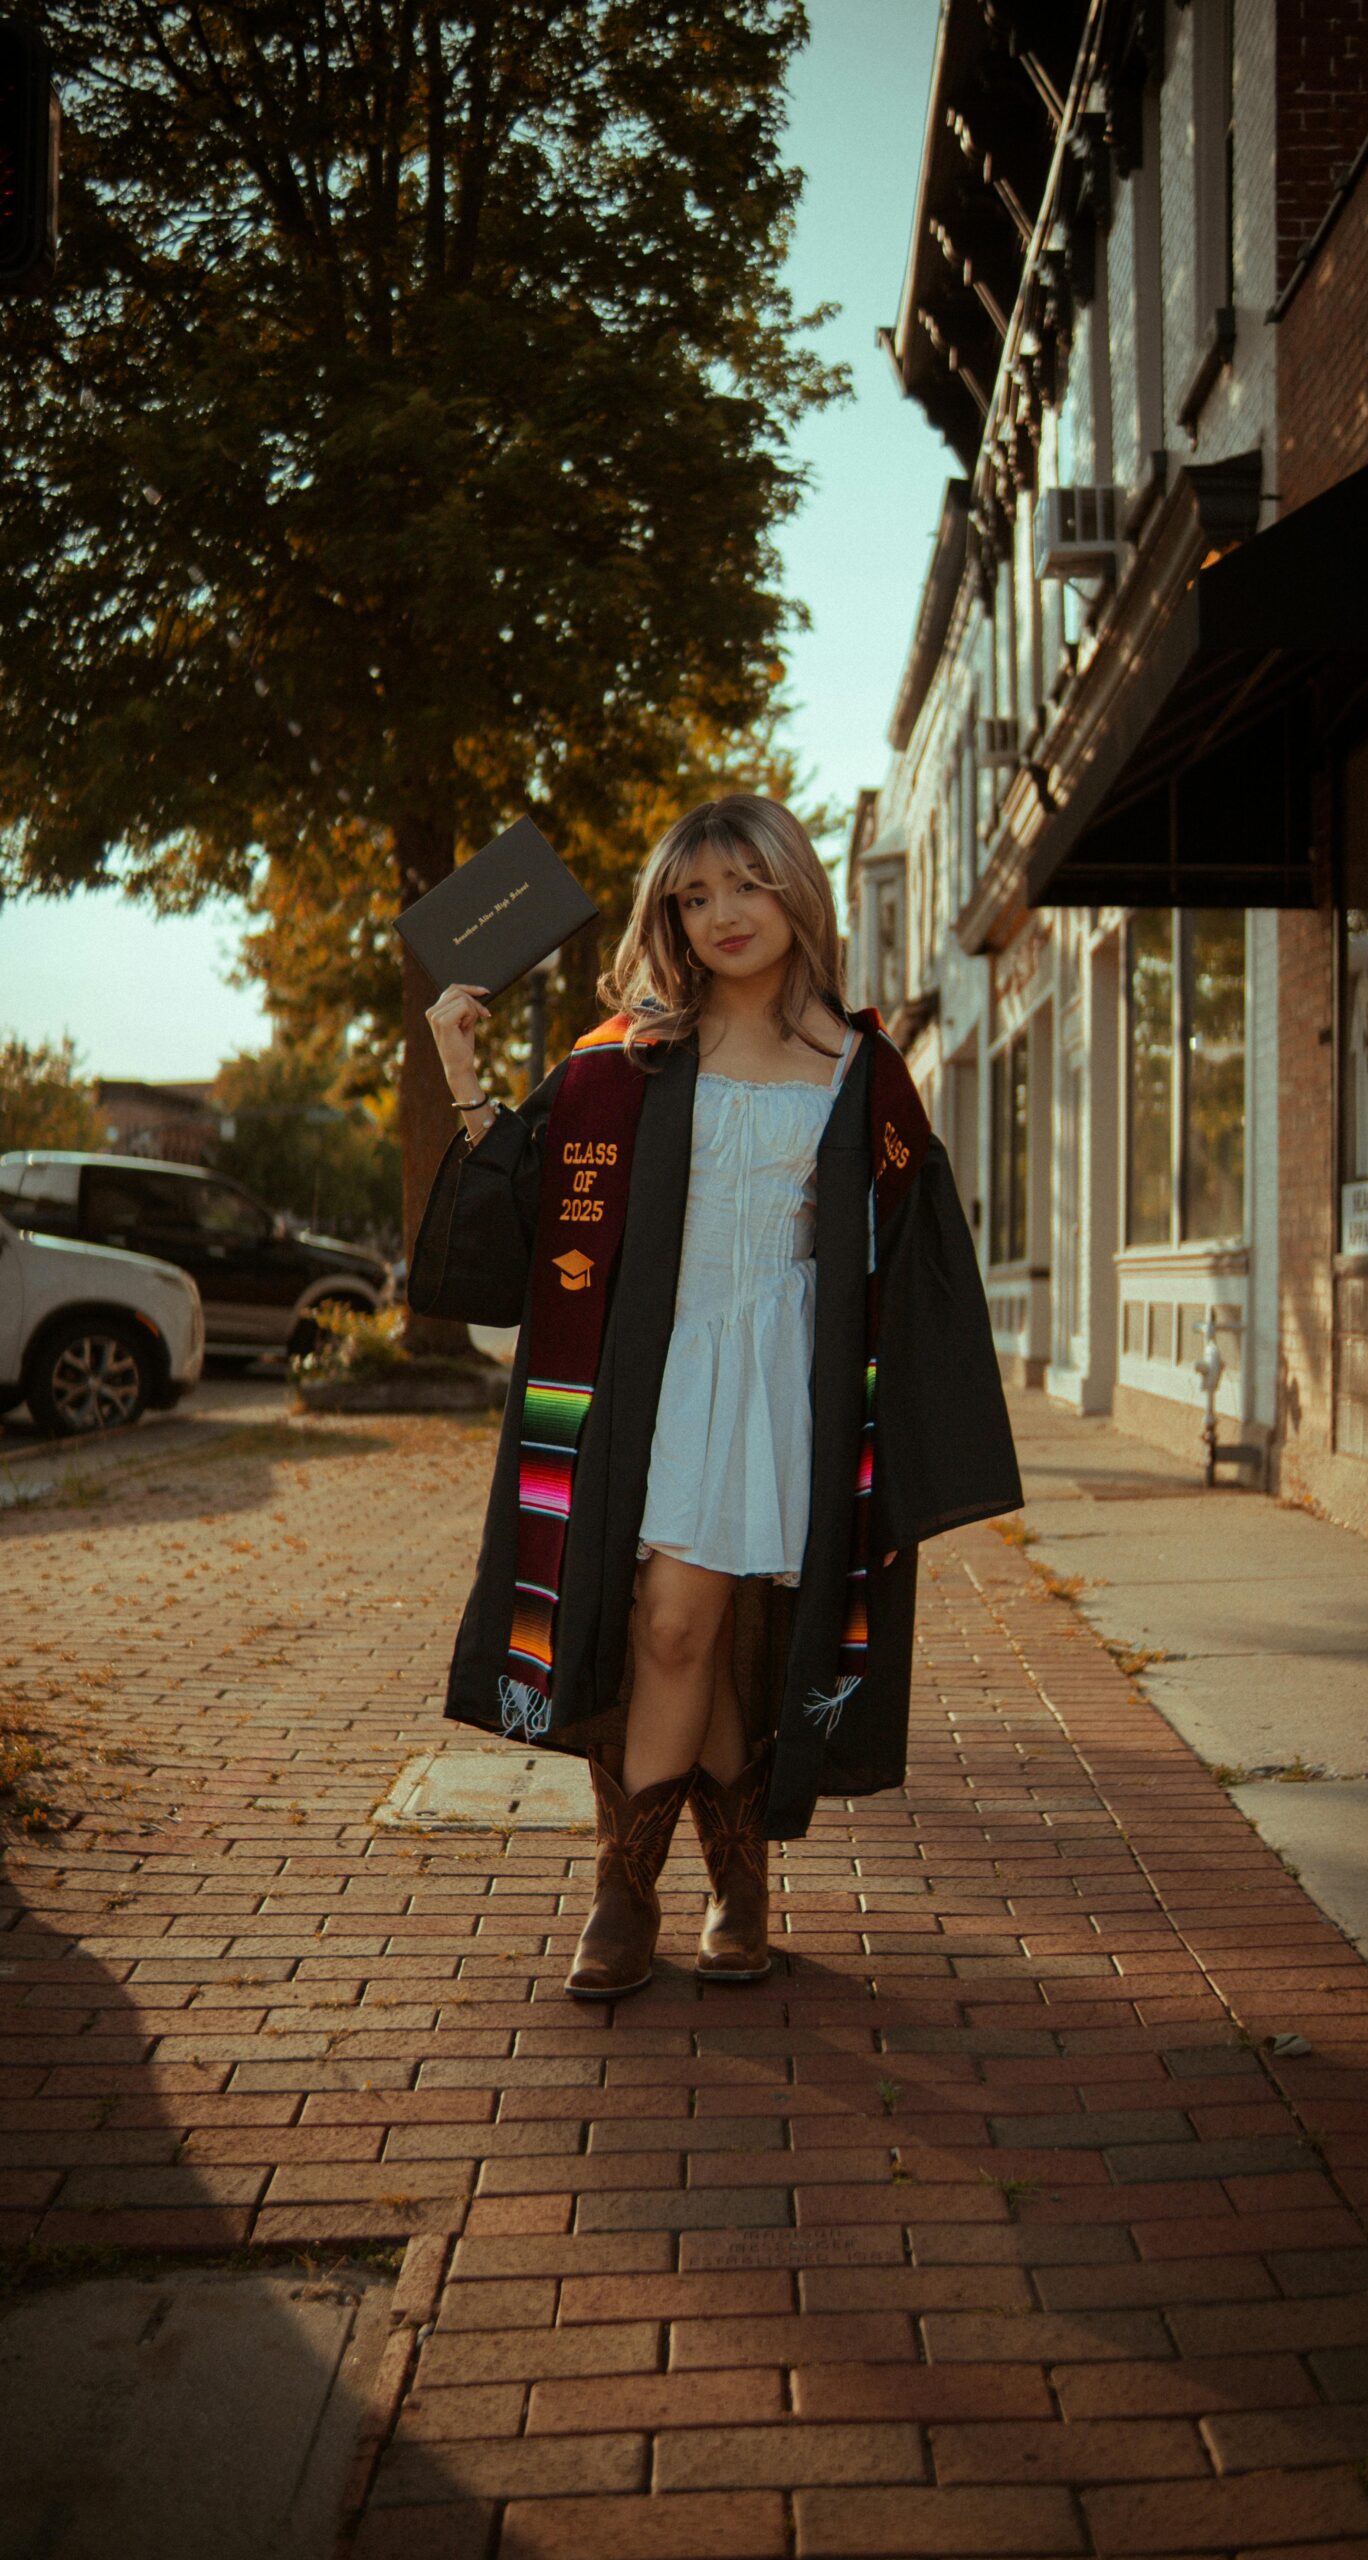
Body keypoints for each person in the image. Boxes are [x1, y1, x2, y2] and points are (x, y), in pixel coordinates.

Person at [409, 794, 1022, 2001]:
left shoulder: (867, 1072)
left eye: (745, 884)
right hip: (649, 1374)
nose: (722, 915)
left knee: (721, 1636)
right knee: (678, 1626)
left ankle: (731, 1881)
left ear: (797, 887)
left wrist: (917, 1443)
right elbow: (531, 1223)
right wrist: (465, 1071)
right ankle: (637, 1893)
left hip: (787, 1387)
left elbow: (917, 1261)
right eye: (694, 897)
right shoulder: (625, 1057)